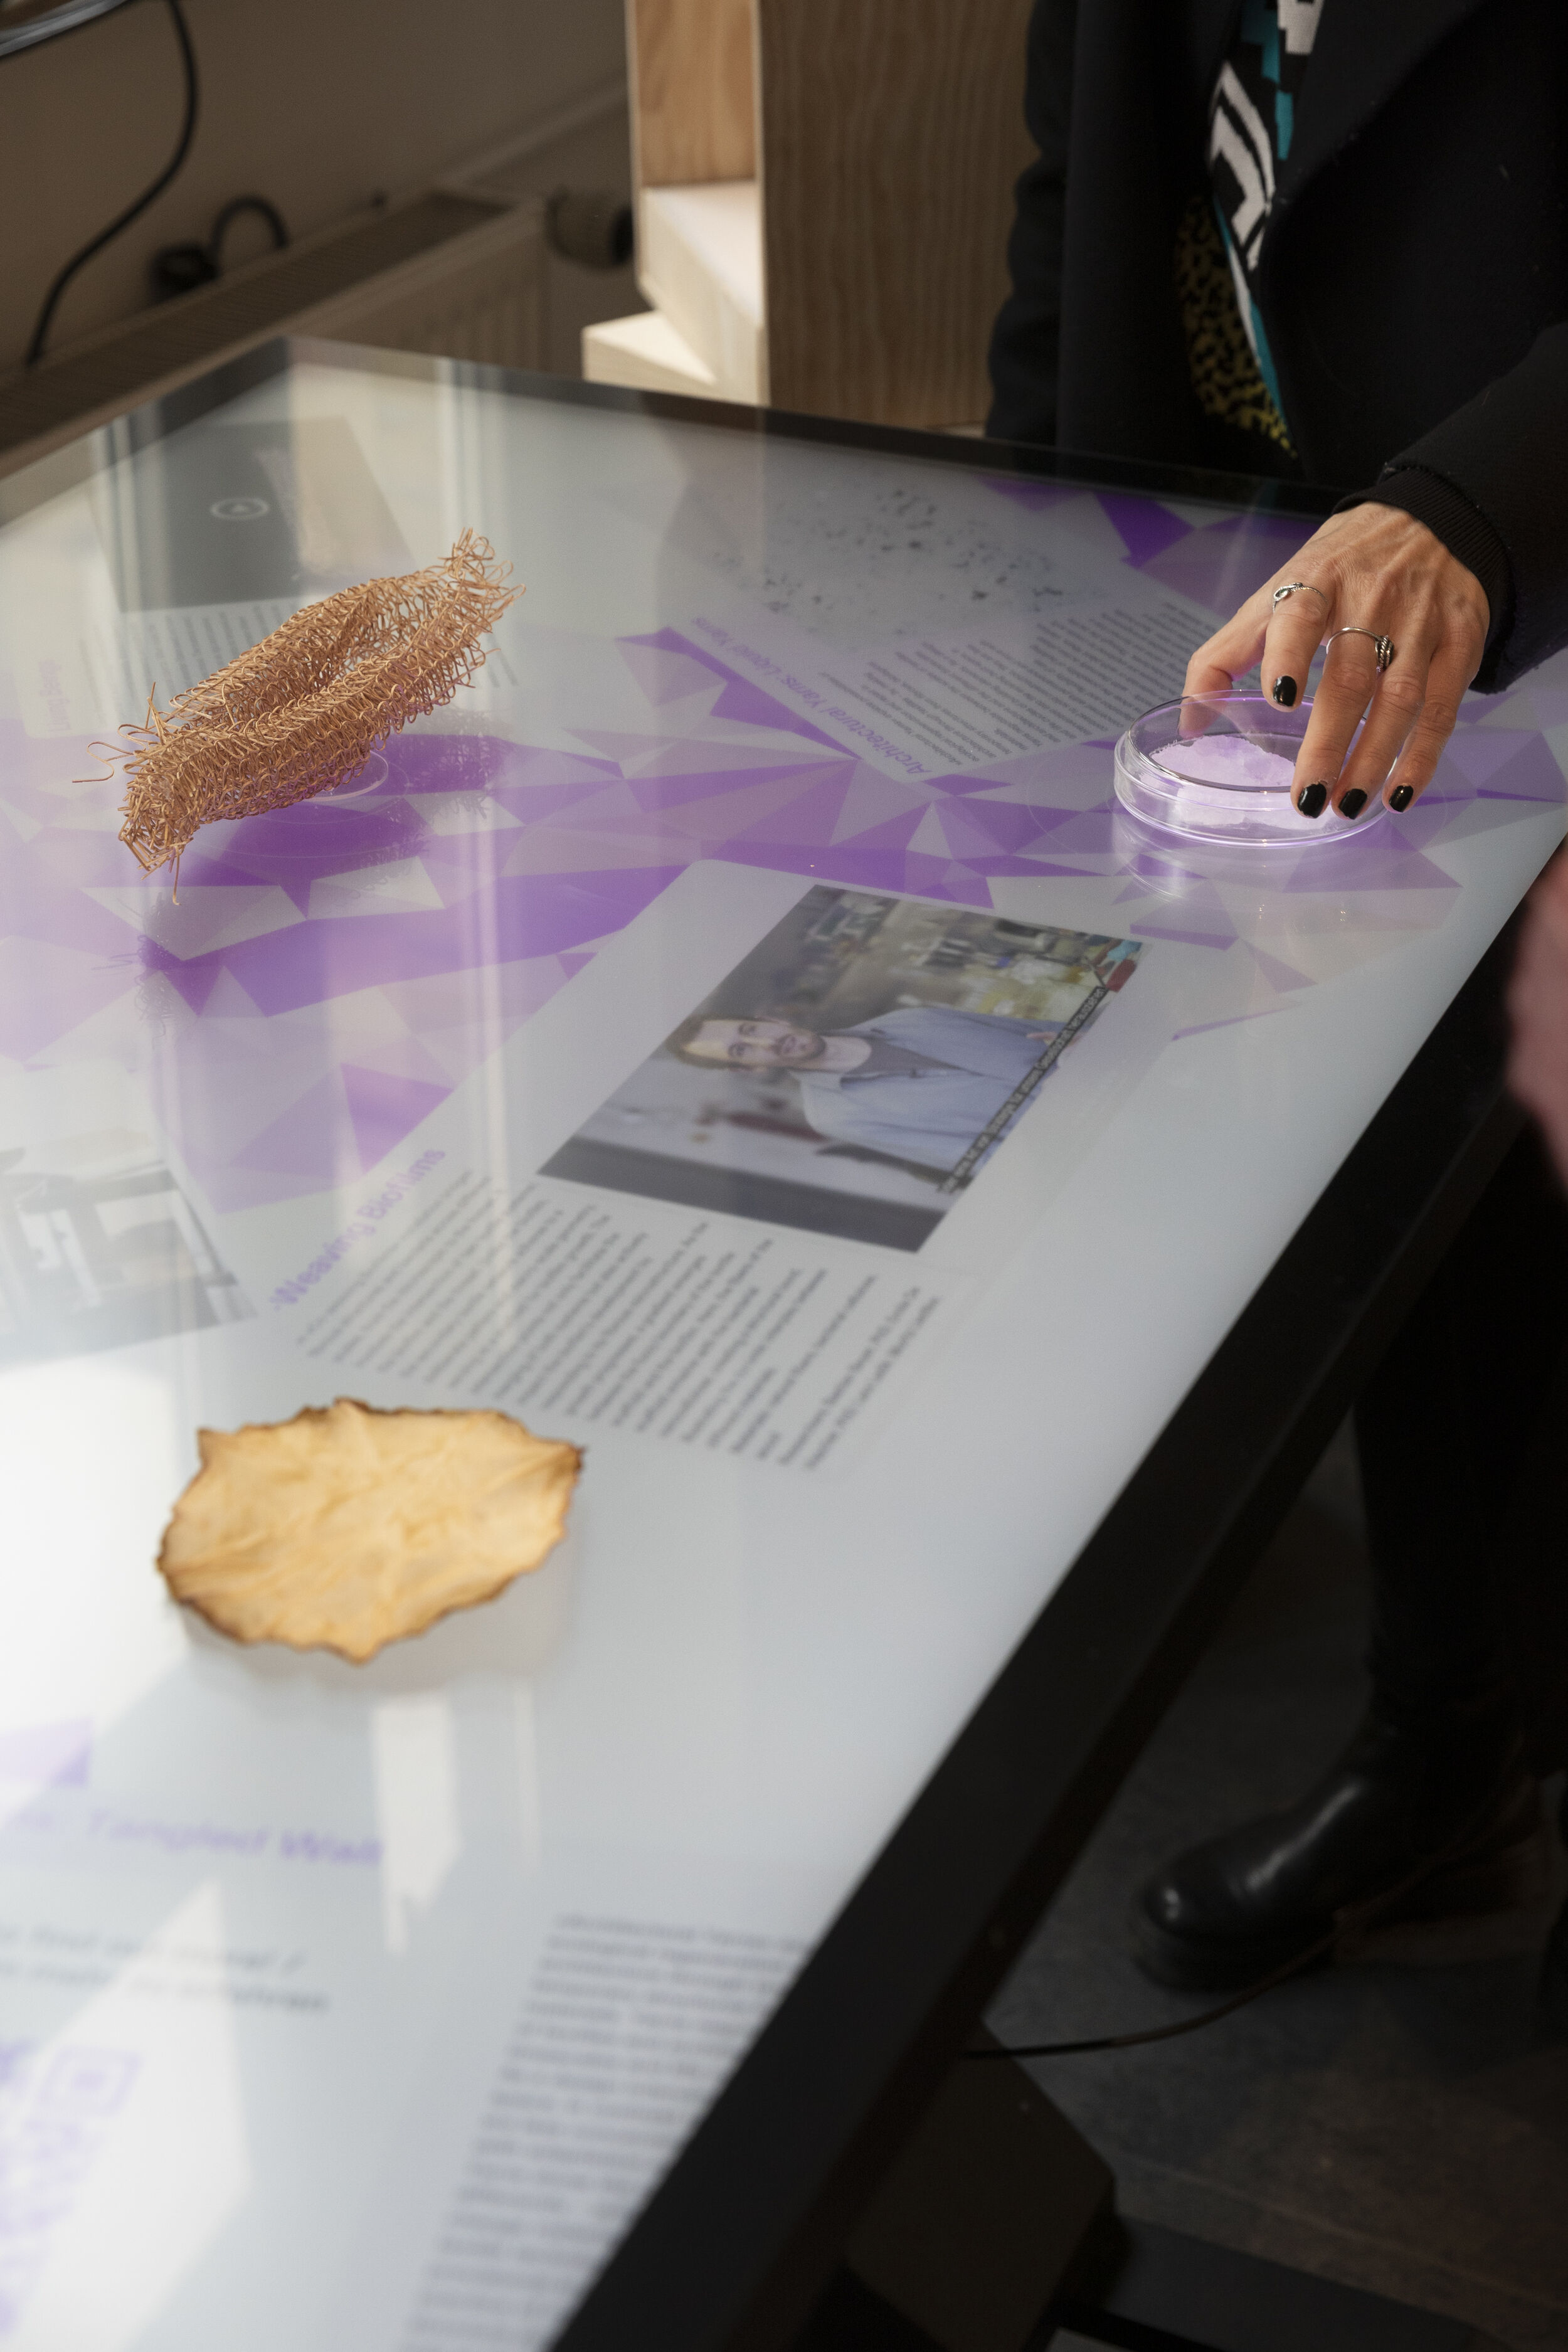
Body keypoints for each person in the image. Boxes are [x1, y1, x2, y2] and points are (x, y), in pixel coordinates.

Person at [987, 0, 1568, 2019]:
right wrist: (1029, 609)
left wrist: (1475, 506)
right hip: (1334, 627)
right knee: (1438, 1201)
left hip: (1509, 535)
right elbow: (1076, 213)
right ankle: (1447, 1744)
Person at [671, 1008, 1059, 1172]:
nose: (767, 1042)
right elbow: (986, 1162)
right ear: (749, 1068)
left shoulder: (913, 1017)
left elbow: (1049, 1029)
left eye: (751, 1030)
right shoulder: (836, 1119)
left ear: (773, 1019)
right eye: (743, 1050)